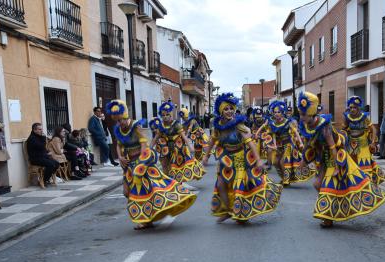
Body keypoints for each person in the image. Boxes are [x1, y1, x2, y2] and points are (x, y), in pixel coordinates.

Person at [297, 92, 385, 228]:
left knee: (329, 187)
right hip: (323, 158)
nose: (300, 117)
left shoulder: (324, 126)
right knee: (317, 185)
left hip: (335, 156)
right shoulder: (306, 125)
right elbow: (309, 144)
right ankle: (333, 210)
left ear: (311, 114)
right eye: (300, 114)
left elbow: (333, 147)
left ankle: (328, 219)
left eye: (303, 114)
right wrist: (303, 162)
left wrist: (338, 167)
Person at [105, 99, 196, 230]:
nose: (120, 123)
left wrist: (142, 161)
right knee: (126, 192)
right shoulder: (118, 129)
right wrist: (120, 157)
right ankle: (152, 214)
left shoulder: (136, 126)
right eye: (117, 121)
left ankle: (147, 219)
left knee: (145, 189)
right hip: (128, 164)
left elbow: (143, 143)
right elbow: (119, 145)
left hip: (143, 160)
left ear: (126, 116)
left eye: (121, 120)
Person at [201, 93, 282, 223]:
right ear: (221, 111)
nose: (229, 111)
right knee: (221, 185)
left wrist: (259, 160)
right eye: (226, 109)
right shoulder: (218, 127)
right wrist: (205, 156)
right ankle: (228, 211)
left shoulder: (240, 126)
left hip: (240, 159)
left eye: (231, 108)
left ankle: (240, 212)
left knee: (239, 186)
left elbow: (250, 143)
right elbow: (212, 141)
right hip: (225, 160)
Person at [262, 100, 315, 186]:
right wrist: (274, 145)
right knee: (275, 162)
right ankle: (284, 178)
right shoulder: (273, 123)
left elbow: (296, 132)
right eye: (275, 112)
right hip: (279, 146)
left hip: (288, 145)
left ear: (282, 112)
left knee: (283, 161)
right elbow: (274, 135)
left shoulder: (288, 121)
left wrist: (301, 143)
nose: (276, 114)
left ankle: (286, 181)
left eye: (278, 112)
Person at [151, 101, 205, 183]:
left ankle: (178, 183)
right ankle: (168, 182)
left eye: (167, 115)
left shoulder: (176, 124)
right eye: (163, 115)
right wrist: (149, 148)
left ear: (170, 115)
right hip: (166, 148)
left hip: (177, 147)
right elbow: (156, 138)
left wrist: (190, 147)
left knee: (176, 166)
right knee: (165, 164)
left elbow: (184, 137)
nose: (165, 117)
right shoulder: (161, 126)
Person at [342, 96, 385, 185]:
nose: (352, 109)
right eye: (350, 107)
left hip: (363, 143)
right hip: (351, 143)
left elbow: (374, 129)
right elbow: (343, 129)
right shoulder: (347, 118)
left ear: (358, 108)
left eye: (354, 107)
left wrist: (373, 143)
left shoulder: (364, 117)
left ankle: (367, 184)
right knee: (352, 164)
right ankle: (354, 184)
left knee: (364, 163)